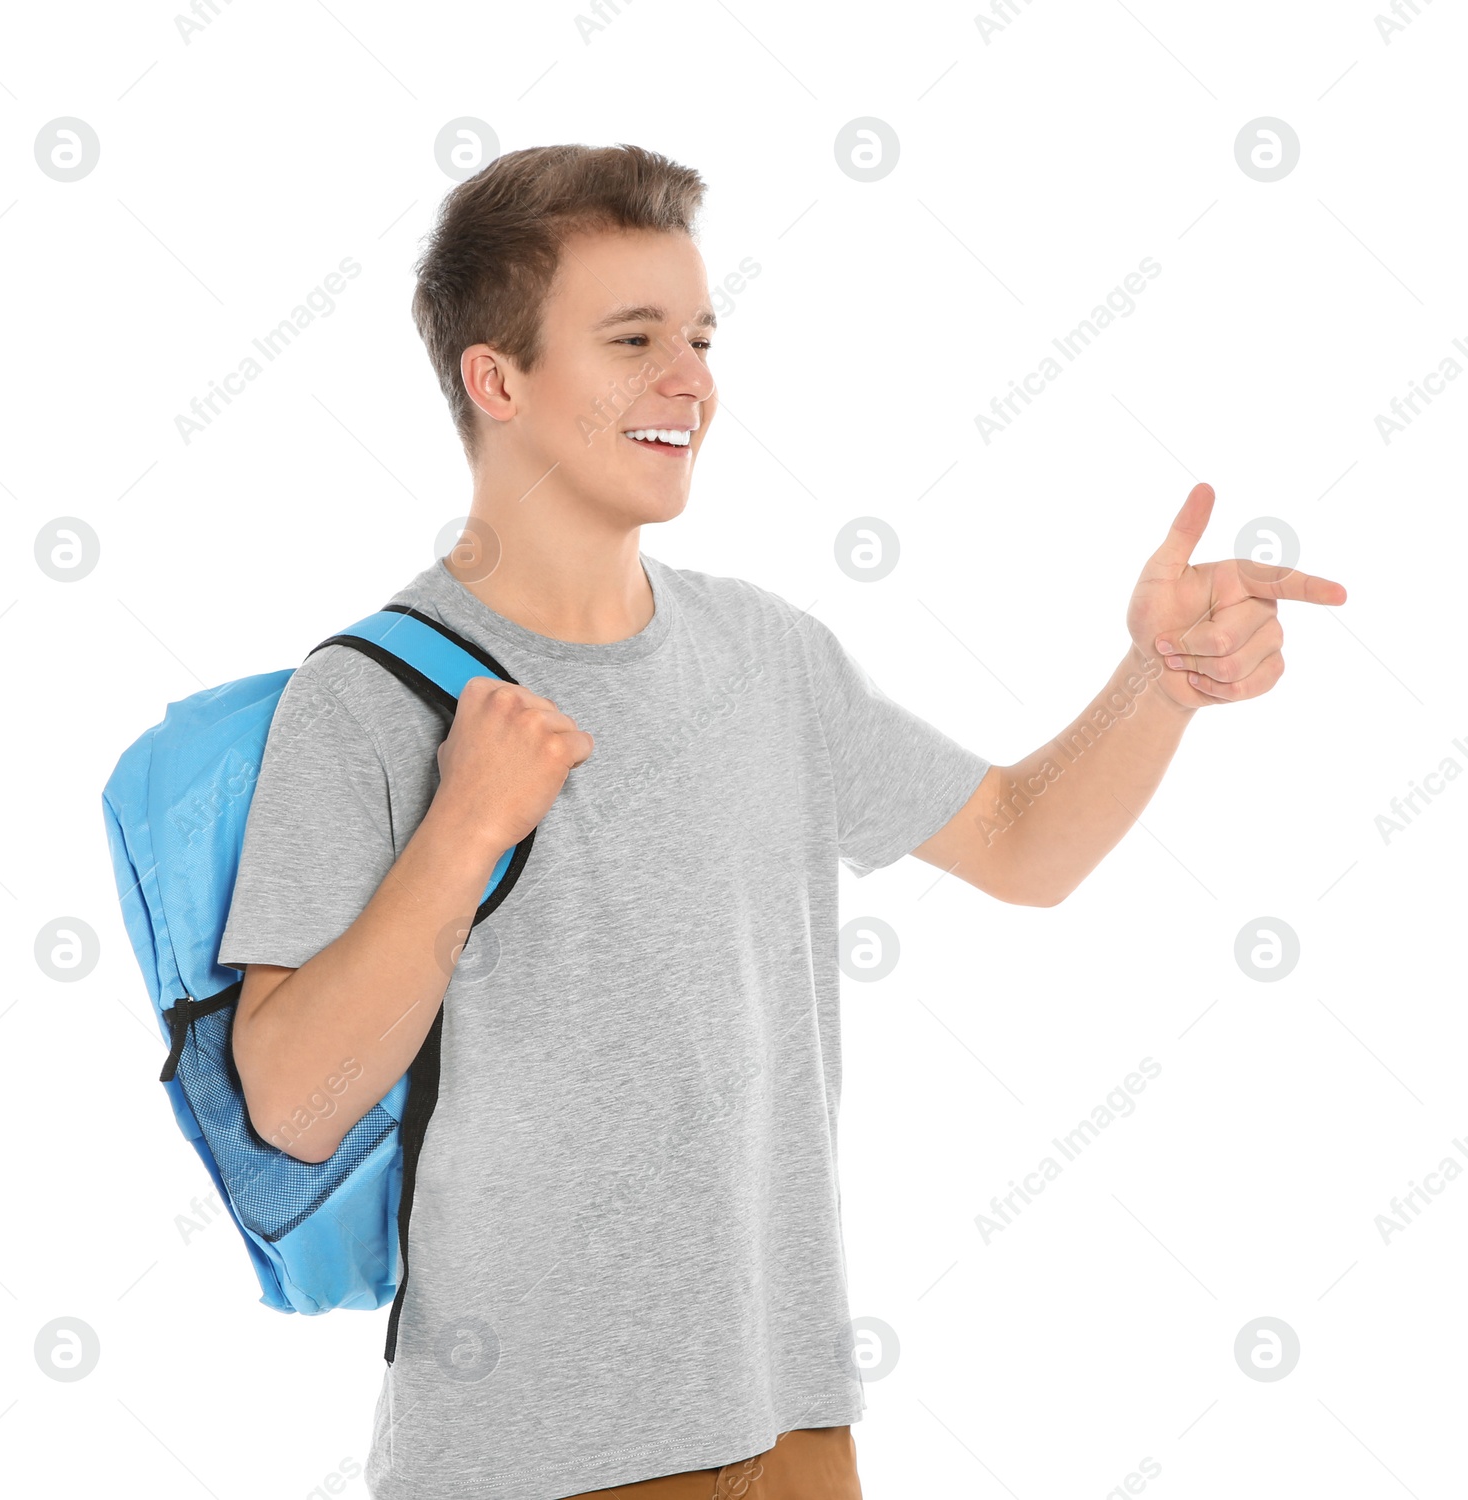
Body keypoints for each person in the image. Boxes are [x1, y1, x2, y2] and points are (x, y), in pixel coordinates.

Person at [217, 143, 1345, 1500]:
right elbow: (290, 1104)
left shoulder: (767, 657)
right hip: (533, 1458)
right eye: (633, 339)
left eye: (698, 335)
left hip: (794, 1423)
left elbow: (1019, 842)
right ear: (497, 379)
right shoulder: (367, 699)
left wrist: (1157, 685)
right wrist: (465, 831)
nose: (691, 379)